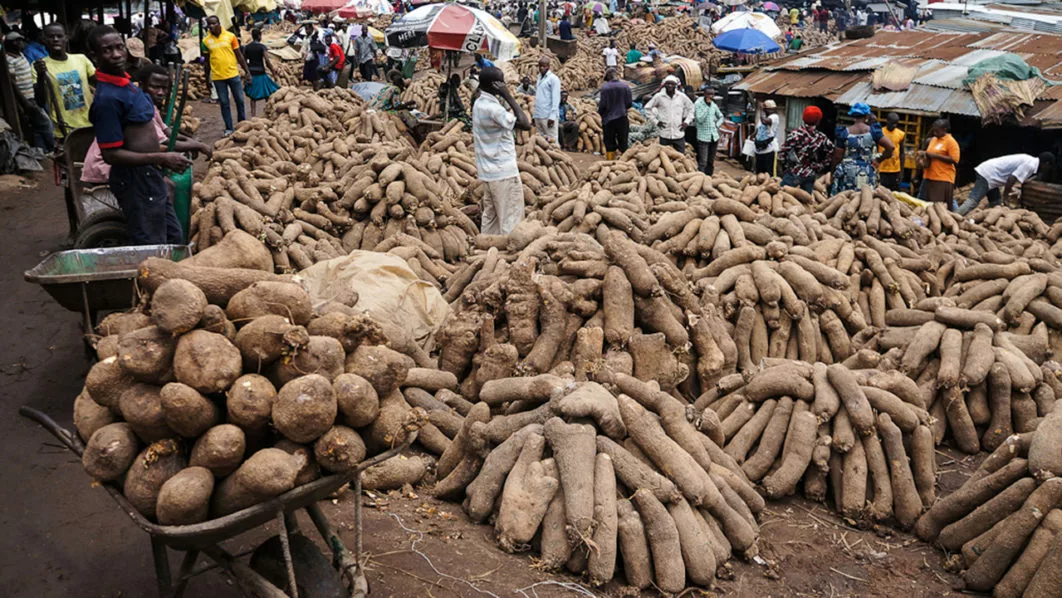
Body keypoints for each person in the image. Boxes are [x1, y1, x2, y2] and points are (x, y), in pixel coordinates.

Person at [86, 27, 191, 245]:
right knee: (151, 243)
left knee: (173, 236)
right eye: (107, 50)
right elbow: (111, 155)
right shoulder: (107, 99)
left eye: (119, 47)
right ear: (95, 57)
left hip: (148, 175)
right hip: (134, 180)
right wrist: (162, 157)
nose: (116, 54)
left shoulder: (128, 87)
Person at [82, 63, 212, 185]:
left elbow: (168, 133)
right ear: (142, 86)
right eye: (155, 87)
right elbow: (163, 143)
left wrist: (191, 142)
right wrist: (198, 146)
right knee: (166, 186)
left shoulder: (151, 106)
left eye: (164, 88)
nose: (160, 93)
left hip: (127, 161)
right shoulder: (138, 110)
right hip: (106, 166)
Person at [472, 66, 532, 235]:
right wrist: (508, 96)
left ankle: (486, 253)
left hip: (488, 173)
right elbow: (525, 124)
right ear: (495, 85)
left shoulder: (479, 103)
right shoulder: (493, 109)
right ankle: (507, 259)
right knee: (510, 221)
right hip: (503, 173)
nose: (504, 84)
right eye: (501, 82)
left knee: (491, 221)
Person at [32, 23, 96, 137]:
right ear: (44, 40)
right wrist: (41, 76)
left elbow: (99, 81)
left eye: (59, 36)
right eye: (51, 37)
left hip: (90, 122)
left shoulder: (81, 59)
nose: (55, 39)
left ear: (66, 38)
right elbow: (40, 101)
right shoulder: (39, 65)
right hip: (64, 128)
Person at [953, 153, 1054, 215]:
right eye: (1049, 167)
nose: (1048, 170)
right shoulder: (1030, 165)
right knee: (972, 202)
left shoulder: (1030, 162)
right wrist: (1005, 197)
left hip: (991, 175)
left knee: (996, 203)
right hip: (988, 174)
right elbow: (1011, 179)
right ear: (1046, 163)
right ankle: (952, 218)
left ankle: (988, 224)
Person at [5, 32, 55, 152]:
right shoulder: (9, 59)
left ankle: (42, 151)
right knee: (45, 123)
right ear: (9, 44)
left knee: (37, 128)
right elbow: (12, 83)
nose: (20, 43)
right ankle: (53, 146)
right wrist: (24, 102)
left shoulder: (20, 55)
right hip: (25, 98)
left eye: (20, 40)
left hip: (32, 95)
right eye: (16, 41)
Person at [831, 102, 894, 193]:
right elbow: (891, 147)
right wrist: (879, 160)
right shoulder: (873, 131)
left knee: (847, 200)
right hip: (868, 172)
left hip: (848, 175)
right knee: (866, 198)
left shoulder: (844, 133)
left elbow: (837, 157)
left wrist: (833, 173)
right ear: (867, 117)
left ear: (852, 117)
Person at [202, 16, 249, 136]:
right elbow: (206, 62)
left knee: (239, 100)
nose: (211, 26)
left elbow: (239, 55)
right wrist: (207, 78)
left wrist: (247, 71)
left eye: (213, 24)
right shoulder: (206, 41)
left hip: (233, 74)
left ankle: (242, 124)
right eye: (209, 24)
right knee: (224, 102)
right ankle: (229, 128)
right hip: (218, 77)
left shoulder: (230, 36)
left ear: (219, 23)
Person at [780, 106, 834, 193]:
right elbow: (831, 151)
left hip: (794, 175)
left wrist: (785, 168)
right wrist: (821, 165)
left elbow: (783, 153)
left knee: (782, 194)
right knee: (806, 201)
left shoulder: (795, 134)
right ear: (818, 121)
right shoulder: (821, 137)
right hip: (810, 175)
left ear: (803, 118)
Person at [645, 75, 693, 153]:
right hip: (664, 134)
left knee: (680, 157)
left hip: (678, 133)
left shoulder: (681, 97)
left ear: (675, 85)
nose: (670, 86)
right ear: (664, 85)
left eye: (672, 84)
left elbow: (691, 108)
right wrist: (656, 121)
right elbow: (647, 108)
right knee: (664, 157)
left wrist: (687, 122)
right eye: (668, 84)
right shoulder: (659, 97)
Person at [917, 119, 960, 205]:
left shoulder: (951, 142)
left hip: (942, 178)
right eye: (934, 130)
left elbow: (955, 160)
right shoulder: (933, 140)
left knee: (938, 206)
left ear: (944, 129)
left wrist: (935, 156)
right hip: (929, 176)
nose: (934, 133)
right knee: (925, 204)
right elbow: (929, 153)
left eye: (937, 131)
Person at [244, 28, 280, 117]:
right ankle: (268, 111)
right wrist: (273, 72)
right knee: (267, 92)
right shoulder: (262, 47)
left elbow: (244, 61)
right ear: (259, 36)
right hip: (261, 72)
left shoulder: (247, 47)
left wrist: (247, 72)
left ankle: (253, 114)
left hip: (252, 73)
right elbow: (267, 60)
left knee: (253, 96)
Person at [598, 67, 632, 158]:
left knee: (609, 143)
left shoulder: (605, 88)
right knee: (623, 142)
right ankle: (625, 163)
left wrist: (600, 113)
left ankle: (610, 162)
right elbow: (629, 103)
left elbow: (602, 105)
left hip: (609, 120)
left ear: (608, 77)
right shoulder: (625, 86)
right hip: (622, 118)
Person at [693, 86, 724, 175]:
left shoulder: (714, 104)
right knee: (703, 161)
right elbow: (699, 119)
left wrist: (717, 125)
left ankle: (709, 178)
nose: (711, 96)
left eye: (712, 94)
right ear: (704, 94)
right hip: (703, 137)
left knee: (711, 161)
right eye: (709, 94)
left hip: (714, 136)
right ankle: (701, 178)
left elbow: (721, 116)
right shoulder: (698, 103)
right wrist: (707, 107)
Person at [533, 56, 561, 143]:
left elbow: (556, 98)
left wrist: (552, 116)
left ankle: (556, 155)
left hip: (548, 116)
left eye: (544, 66)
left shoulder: (553, 79)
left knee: (552, 140)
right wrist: (535, 115)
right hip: (539, 114)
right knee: (541, 141)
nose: (541, 68)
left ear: (548, 66)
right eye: (540, 66)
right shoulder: (539, 77)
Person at [877, 112, 906, 190]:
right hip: (882, 169)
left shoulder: (900, 134)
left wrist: (901, 171)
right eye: (892, 123)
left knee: (895, 194)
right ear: (887, 121)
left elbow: (902, 153)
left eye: (896, 123)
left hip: (895, 169)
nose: (894, 125)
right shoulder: (880, 132)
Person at [753, 99, 780, 175]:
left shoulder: (774, 117)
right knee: (759, 173)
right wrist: (751, 137)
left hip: (769, 149)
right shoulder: (763, 117)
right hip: (759, 149)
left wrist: (761, 110)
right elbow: (758, 129)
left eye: (766, 109)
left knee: (769, 172)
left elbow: (765, 122)